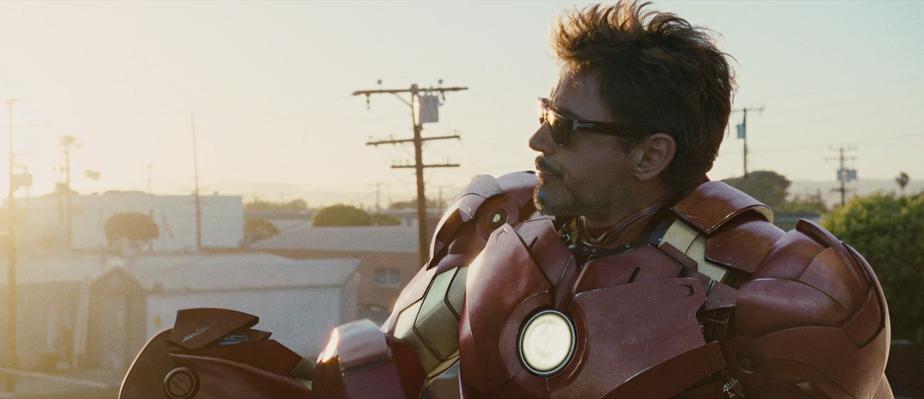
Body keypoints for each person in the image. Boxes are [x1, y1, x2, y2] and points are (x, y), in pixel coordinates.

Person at [120, 2, 892, 398]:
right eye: (542, 113)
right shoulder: (496, 226)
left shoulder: (789, 294)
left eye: (565, 125)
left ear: (652, 152)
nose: (536, 141)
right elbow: (382, 371)